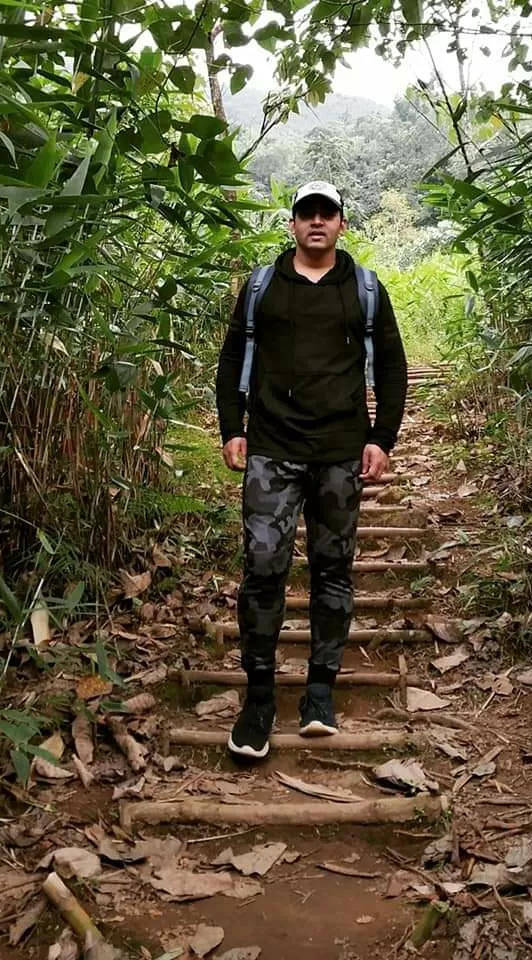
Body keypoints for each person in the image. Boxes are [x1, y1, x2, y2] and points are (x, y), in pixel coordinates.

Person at [215, 180, 408, 759]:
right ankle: (258, 699)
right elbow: (231, 361)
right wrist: (233, 428)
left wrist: (382, 438)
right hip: (272, 448)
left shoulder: (365, 289)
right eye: (306, 213)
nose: (317, 222)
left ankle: (320, 692)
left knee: (332, 569)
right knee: (264, 567)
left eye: (327, 213)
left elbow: (393, 367)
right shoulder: (263, 286)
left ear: (342, 224)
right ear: (293, 224)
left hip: (339, 452)